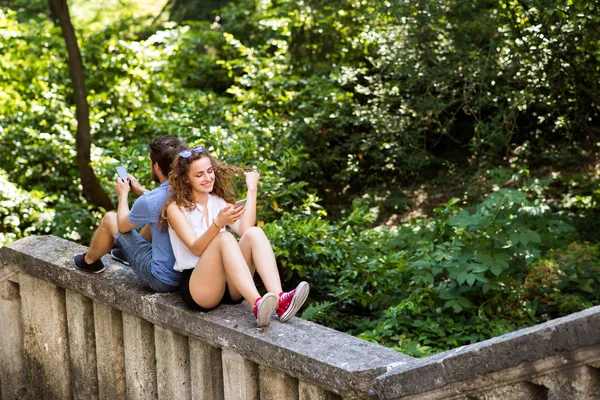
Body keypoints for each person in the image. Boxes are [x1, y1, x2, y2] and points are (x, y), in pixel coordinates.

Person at [161, 145, 309, 327]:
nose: (208, 178)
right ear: (185, 179)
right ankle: (257, 303)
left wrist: (252, 189)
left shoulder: (218, 201)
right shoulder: (175, 209)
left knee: (254, 233)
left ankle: (280, 300)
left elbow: (245, 229)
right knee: (224, 238)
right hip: (199, 287)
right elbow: (196, 248)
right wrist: (218, 223)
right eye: (199, 175)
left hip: (230, 284)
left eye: (209, 171)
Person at [73, 135, 184, 293]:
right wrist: (140, 190)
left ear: (157, 167)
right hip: (185, 275)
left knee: (110, 219)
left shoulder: (150, 200)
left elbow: (123, 226)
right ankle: (127, 254)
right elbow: (159, 202)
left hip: (162, 279)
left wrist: (123, 195)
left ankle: (89, 261)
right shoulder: (188, 189)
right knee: (153, 218)